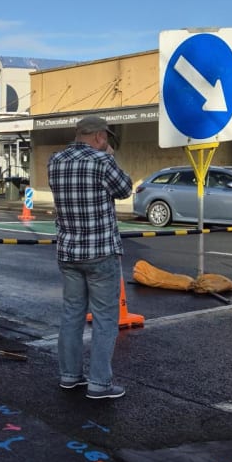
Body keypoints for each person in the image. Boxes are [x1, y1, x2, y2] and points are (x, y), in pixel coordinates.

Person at [47, 116, 133, 400]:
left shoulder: (55, 161)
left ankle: (70, 376)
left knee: (71, 314)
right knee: (105, 318)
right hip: (100, 252)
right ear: (99, 137)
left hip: (68, 251)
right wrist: (110, 158)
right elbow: (125, 189)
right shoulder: (102, 161)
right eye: (106, 138)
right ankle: (99, 383)